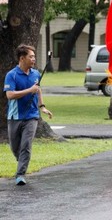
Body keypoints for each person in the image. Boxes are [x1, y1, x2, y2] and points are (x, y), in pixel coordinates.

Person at [4, 44, 53, 185]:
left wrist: (42, 107)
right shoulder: (11, 75)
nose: (34, 59)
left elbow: (37, 90)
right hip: (14, 116)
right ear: (22, 58)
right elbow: (10, 95)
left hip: (32, 116)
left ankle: (20, 174)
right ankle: (22, 161)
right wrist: (29, 90)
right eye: (31, 57)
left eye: (34, 56)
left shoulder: (36, 73)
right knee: (15, 147)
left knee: (26, 145)